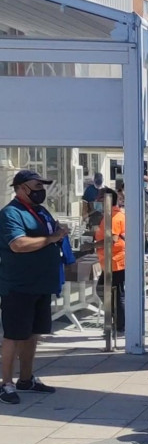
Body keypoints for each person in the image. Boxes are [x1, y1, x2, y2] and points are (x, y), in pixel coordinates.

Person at [0, 170, 66, 404]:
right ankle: (5, 384)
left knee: (32, 335)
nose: (41, 190)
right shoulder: (11, 213)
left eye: (42, 185)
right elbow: (18, 244)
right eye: (36, 186)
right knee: (13, 336)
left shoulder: (40, 211)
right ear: (20, 188)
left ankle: (26, 379)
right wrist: (52, 238)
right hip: (19, 285)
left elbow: (53, 232)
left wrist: (59, 235)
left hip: (41, 284)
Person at [94, 187, 126, 334]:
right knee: (109, 292)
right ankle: (118, 320)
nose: (96, 201)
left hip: (115, 261)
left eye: (99, 198)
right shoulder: (111, 215)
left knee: (112, 292)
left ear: (106, 200)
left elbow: (111, 239)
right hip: (111, 260)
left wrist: (92, 245)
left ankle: (120, 323)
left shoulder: (113, 217)